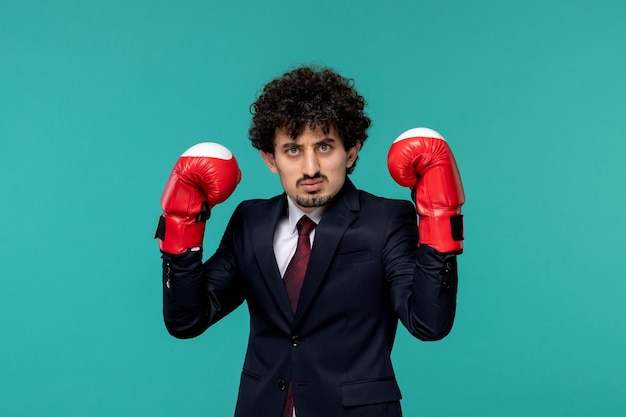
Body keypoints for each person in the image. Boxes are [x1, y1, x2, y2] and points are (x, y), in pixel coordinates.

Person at [155, 65, 465, 417]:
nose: (311, 168)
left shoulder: (385, 220)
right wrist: (181, 228)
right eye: (292, 150)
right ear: (270, 159)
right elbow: (187, 320)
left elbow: (429, 323)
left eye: (324, 146)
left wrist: (441, 220)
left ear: (350, 152)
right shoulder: (250, 221)